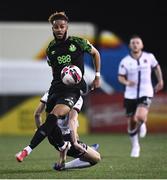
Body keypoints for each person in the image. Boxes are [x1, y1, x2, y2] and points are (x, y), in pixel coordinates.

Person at [16, 11, 101, 163]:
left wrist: (97, 76)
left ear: (67, 26)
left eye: (62, 26)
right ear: (52, 28)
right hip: (55, 90)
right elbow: (53, 69)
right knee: (50, 121)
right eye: (56, 27)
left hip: (72, 91)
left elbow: (96, 54)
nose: (59, 29)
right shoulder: (51, 49)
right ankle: (64, 148)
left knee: (53, 116)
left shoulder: (78, 42)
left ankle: (26, 151)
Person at [21, 91, 101, 170]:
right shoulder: (77, 97)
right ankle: (63, 166)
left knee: (80, 148)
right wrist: (75, 141)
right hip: (67, 139)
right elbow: (72, 121)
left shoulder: (50, 92)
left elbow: (37, 115)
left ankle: (87, 150)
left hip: (53, 137)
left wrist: (42, 131)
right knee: (96, 158)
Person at [118, 35, 164, 158]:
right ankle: (135, 146)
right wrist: (127, 82)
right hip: (130, 94)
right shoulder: (125, 61)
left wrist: (160, 81)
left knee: (140, 116)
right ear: (129, 45)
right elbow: (120, 77)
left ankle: (142, 122)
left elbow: (156, 68)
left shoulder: (149, 57)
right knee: (131, 123)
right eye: (133, 43)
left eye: (137, 42)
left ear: (142, 45)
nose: (135, 44)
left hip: (146, 91)